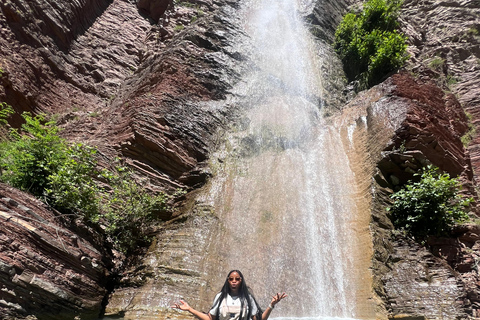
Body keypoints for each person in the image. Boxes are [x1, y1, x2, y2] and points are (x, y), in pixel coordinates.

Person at [171, 269, 287, 320]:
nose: (234, 281)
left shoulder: (248, 298)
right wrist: (190, 309)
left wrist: (271, 305)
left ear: (241, 281)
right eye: (231, 279)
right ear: (228, 281)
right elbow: (210, 318)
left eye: (237, 279)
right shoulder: (220, 297)